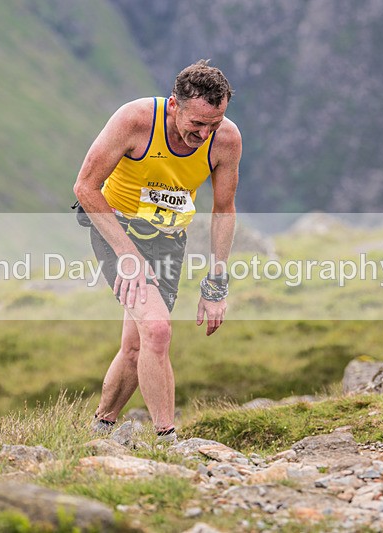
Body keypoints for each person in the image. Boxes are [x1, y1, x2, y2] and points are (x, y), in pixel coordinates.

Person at [72, 60, 242, 442]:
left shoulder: (227, 139)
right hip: (114, 227)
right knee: (158, 328)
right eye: (196, 123)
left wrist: (216, 285)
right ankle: (167, 440)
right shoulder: (134, 121)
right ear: (173, 105)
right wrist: (128, 256)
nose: (203, 134)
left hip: (167, 238)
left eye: (213, 124)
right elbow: (85, 188)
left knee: (137, 346)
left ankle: (100, 429)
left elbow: (224, 210)